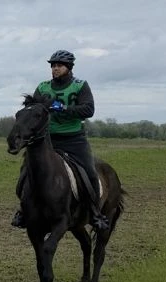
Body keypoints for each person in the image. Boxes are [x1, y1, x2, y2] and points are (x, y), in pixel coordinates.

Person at [11, 49, 110, 230]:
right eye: (53, 66)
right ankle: (24, 210)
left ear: (69, 68)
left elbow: (88, 110)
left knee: (89, 172)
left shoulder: (80, 86)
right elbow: (33, 107)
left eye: (59, 66)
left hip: (74, 139)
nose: (55, 69)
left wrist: (62, 108)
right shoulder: (43, 87)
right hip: (49, 139)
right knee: (27, 170)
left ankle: (95, 213)